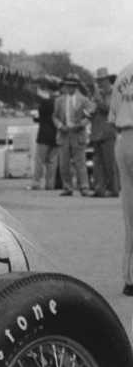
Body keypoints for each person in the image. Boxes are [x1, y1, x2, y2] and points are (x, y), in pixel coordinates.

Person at [108, 58, 133, 294]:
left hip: (125, 139)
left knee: (130, 211)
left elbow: (113, 117)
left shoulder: (123, 74)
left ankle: (130, 278)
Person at [53, 74, 92, 196]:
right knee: (64, 163)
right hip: (64, 133)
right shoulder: (59, 100)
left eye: (72, 86)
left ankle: (84, 187)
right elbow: (54, 117)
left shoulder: (84, 100)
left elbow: (89, 116)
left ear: (76, 86)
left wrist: (80, 125)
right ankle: (67, 187)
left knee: (80, 162)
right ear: (64, 86)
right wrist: (60, 126)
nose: (69, 88)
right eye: (67, 86)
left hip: (77, 133)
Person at [89, 67, 119, 197]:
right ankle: (99, 189)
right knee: (97, 164)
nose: (99, 83)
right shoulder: (97, 94)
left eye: (101, 80)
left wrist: (98, 100)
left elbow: (109, 109)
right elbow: (90, 112)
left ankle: (114, 189)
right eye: (98, 80)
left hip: (108, 132)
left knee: (110, 163)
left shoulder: (114, 93)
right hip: (96, 132)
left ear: (107, 80)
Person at [29, 88, 57, 190]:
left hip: (44, 136)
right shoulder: (58, 103)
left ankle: (36, 183)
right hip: (55, 136)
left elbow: (40, 117)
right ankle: (50, 184)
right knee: (52, 162)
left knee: (40, 160)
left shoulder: (44, 104)